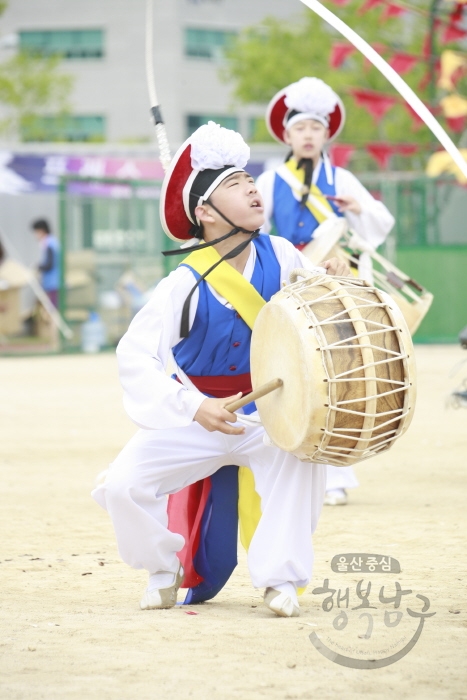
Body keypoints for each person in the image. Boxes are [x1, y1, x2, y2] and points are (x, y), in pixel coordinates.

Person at [92, 122, 348, 618]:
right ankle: (163, 566)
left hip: (269, 415)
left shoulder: (283, 254)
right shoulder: (182, 283)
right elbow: (134, 355)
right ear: (205, 212)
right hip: (200, 415)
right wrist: (193, 406)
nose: (253, 187)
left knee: (302, 460)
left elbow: (320, 308)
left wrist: (332, 278)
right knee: (121, 485)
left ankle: (280, 579)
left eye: (250, 179)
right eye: (234, 184)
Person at [256, 77, 396, 506]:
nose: (308, 135)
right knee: (288, 372)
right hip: (290, 286)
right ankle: (281, 468)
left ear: (325, 134)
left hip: (336, 288)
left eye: (316, 128)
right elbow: (255, 231)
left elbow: (379, 222)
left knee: (337, 375)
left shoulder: (343, 178)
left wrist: (359, 209)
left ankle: (335, 477)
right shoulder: (269, 179)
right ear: (287, 134)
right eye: (300, 128)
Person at [31, 218, 60, 308]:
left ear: (42, 231)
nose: (35, 235)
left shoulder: (49, 244)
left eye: (36, 232)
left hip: (53, 284)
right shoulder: (54, 242)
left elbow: (49, 264)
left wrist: (38, 267)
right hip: (56, 282)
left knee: (52, 311)